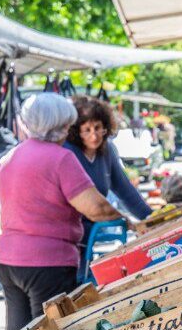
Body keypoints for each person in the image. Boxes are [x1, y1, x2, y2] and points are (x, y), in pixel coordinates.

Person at [0, 93, 122, 330]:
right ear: (64, 124)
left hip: (9, 261)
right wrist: (127, 220)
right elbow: (95, 207)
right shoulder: (61, 158)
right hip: (49, 262)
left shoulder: (14, 155)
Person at [65, 97, 154, 276]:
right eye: (87, 130)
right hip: (68, 237)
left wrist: (151, 220)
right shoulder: (68, 154)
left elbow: (125, 190)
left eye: (98, 128)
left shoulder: (107, 151)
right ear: (76, 131)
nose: (94, 135)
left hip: (91, 236)